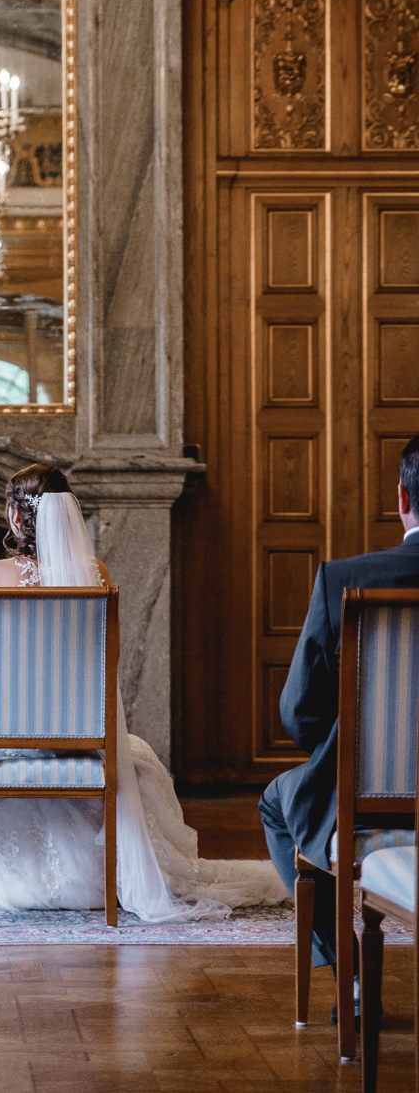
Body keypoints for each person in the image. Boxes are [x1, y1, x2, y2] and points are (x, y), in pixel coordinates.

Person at [0, 463, 285, 918]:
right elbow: (109, 663)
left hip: (12, 740)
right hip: (85, 737)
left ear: (17, 516)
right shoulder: (95, 574)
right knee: (139, 759)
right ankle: (106, 877)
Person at [259, 434, 419, 1019]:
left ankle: (346, 970)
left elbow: (298, 710)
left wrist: (355, 747)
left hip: (366, 798)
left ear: (402, 496)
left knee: (279, 804)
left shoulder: (341, 578)